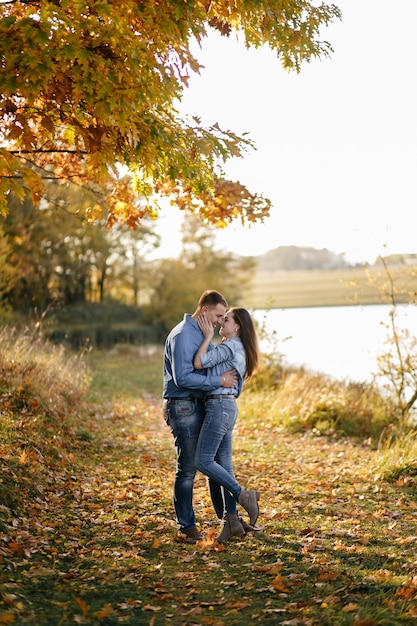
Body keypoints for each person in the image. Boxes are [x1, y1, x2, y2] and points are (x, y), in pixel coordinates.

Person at [163, 290, 238, 543]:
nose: (219, 321)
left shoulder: (200, 333)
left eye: (223, 317)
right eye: (218, 315)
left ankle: (230, 518)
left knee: (208, 462)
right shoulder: (185, 334)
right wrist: (219, 381)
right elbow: (182, 378)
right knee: (187, 469)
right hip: (183, 406)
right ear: (204, 310)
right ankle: (186, 527)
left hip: (198, 404)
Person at [193, 307, 261, 543]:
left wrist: (206, 337)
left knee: (202, 461)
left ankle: (244, 495)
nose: (222, 322)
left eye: (227, 319)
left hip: (219, 407)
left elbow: (199, 362)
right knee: (225, 466)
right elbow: (238, 387)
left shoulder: (230, 346)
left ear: (238, 326)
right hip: (228, 406)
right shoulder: (240, 348)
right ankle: (231, 521)